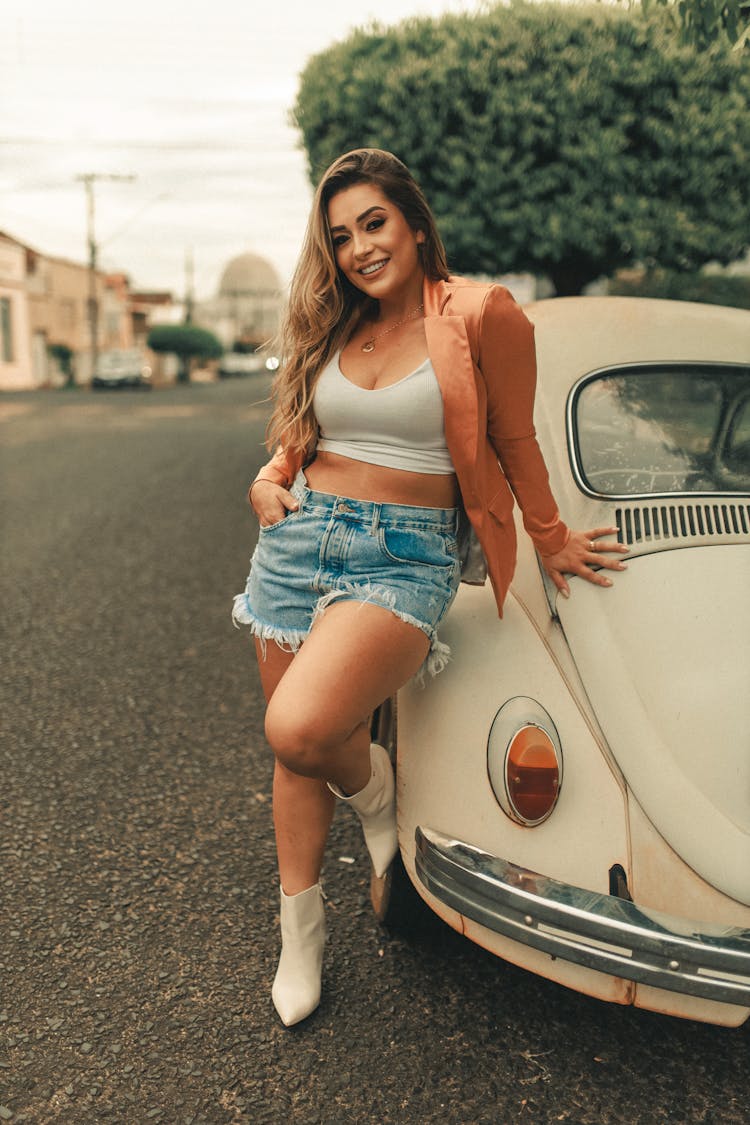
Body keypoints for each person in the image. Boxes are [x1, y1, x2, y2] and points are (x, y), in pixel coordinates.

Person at [232, 148, 628, 1026]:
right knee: (295, 749)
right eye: (341, 237)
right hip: (297, 542)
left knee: (299, 725)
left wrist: (552, 538)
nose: (360, 248)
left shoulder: (482, 313)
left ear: (414, 221)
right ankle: (302, 932)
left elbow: (515, 438)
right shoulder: (337, 324)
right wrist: (273, 470)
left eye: (374, 223)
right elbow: (306, 425)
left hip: (405, 555)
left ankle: (375, 789)